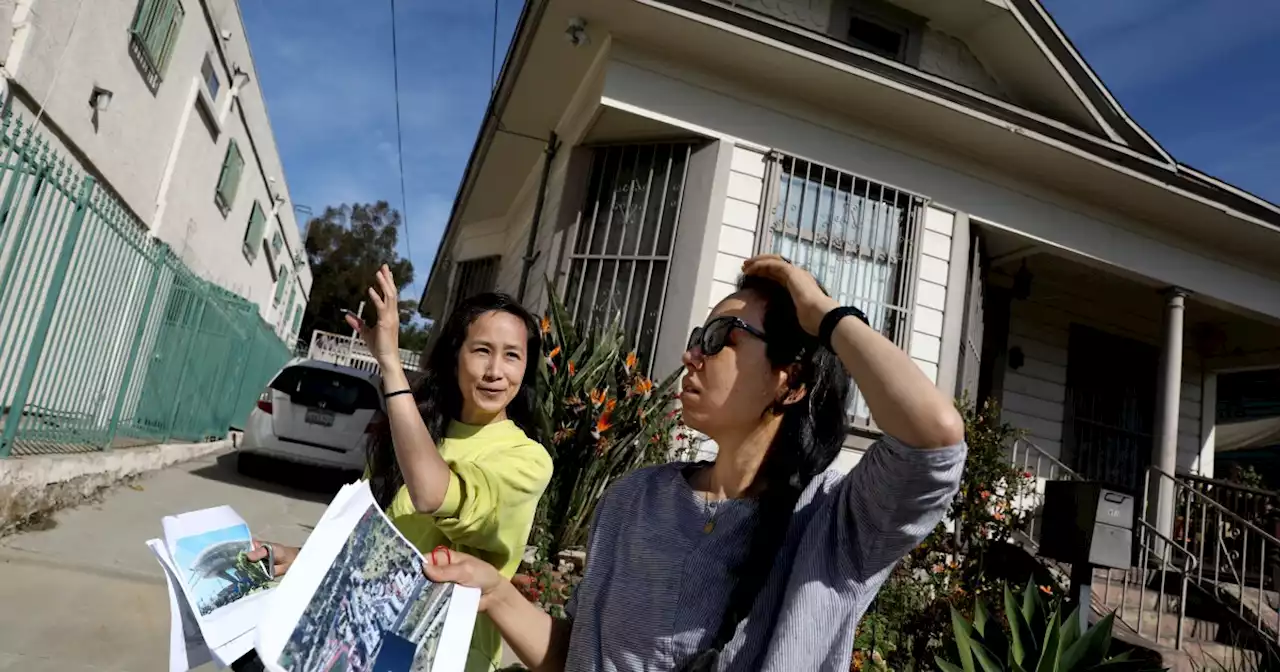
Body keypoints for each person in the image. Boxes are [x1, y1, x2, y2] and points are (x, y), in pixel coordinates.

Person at [421, 254, 967, 671]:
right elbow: (582, 656)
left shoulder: (836, 525)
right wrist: (494, 591)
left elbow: (935, 435)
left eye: (718, 338)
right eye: (694, 338)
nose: (692, 355)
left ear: (792, 381)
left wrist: (823, 315)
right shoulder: (634, 499)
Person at [250, 265, 553, 672]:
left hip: (445, 655)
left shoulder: (527, 459)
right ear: (455, 355)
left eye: (512, 356)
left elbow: (432, 493)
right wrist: (299, 560)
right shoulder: (412, 430)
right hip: (358, 640)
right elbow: (365, 541)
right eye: (482, 350)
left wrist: (390, 365)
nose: (496, 371)